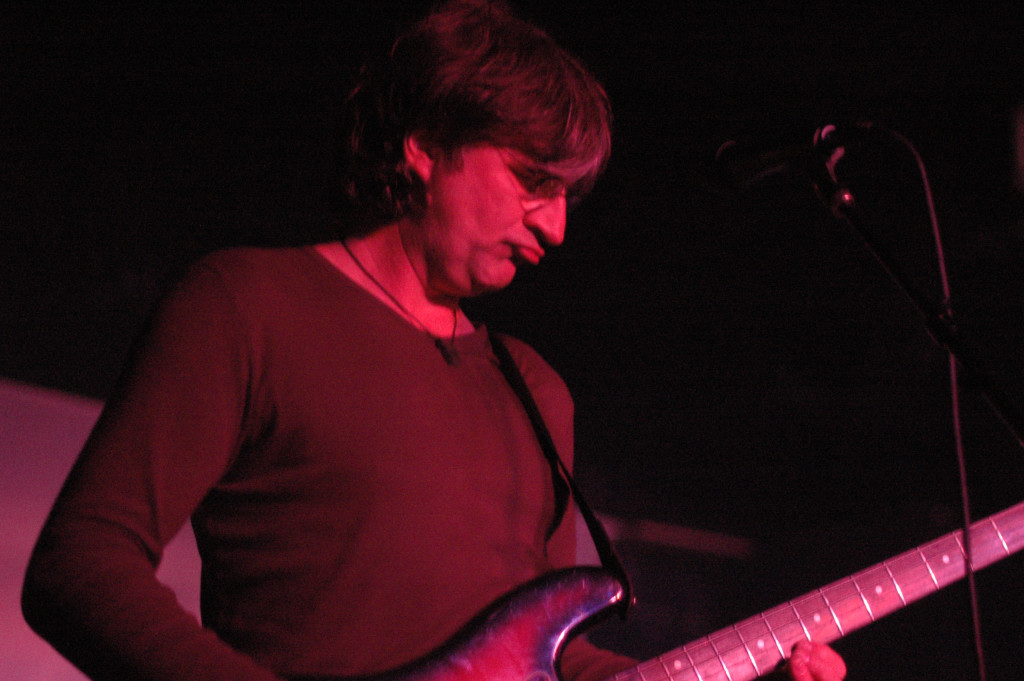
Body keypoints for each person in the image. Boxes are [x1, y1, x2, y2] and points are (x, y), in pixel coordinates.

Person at [22, 2, 846, 681]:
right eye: (534, 180)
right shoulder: (247, 305)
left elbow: (552, 659)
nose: (556, 228)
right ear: (426, 144)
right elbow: (80, 565)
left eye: (568, 198)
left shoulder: (535, 389)